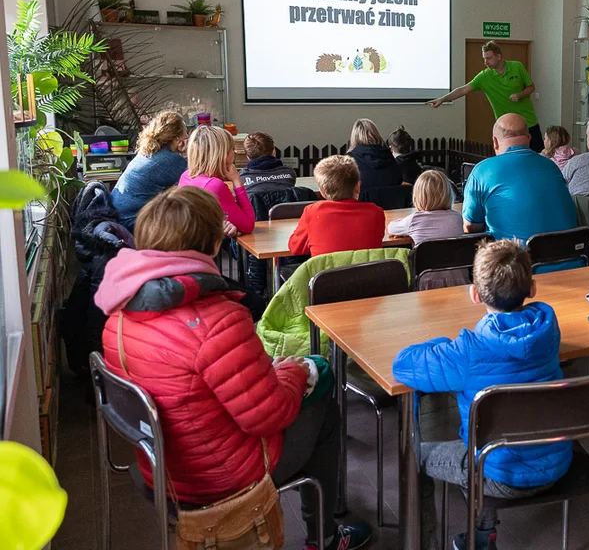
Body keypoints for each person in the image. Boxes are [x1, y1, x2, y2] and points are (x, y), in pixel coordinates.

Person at [97, 186, 371, 549]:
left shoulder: (117, 316)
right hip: (223, 477)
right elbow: (269, 415)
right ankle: (324, 536)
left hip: (162, 468)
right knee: (323, 402)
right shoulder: (217, 320)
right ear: (212, 243)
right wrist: (297, 371)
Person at [392, 239, 570, 550]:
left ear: (474, 293)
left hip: (502, 474)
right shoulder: (549, 328)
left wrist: (441, 344)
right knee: (493, 433)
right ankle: (481, 535)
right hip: (557, 461)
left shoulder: (467, 353)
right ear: (533, 288)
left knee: (416, 456)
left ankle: (426, 544)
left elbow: (403, 366)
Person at [462, 114, 576, 245]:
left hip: (517, 261)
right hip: (570, 257)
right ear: (529, 138)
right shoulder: (551, 166)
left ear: (495, 141)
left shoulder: (482, 171)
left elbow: (470, 227)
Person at [428, 42, 543, 153]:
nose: (485, 62)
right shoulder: (484, 76)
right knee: (509, 162)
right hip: (505, 128)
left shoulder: (517, 66)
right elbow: (463, 89)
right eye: (484, 58)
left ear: (498, 56)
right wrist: (442, 99)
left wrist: (520, 95)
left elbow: (531, 87)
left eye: (488, 58)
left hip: (528, 123)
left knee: (538, 158)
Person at [289, 155, 385, 257]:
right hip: (367, 272)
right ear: (357, 186)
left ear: (322, 192)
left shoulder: (312, 212)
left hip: (326, 272)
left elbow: (295, 248)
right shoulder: (376, 212)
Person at [110, 110, 188, 231]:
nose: (187, 137)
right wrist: (185, 153)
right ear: (178, 139)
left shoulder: (148, 152)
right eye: (185, 133)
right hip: (132, 223)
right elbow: (197, 176)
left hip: (117, 218)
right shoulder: (169, 159)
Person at [178, 125, 256, 235]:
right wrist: (237, 180)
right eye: (231, 149)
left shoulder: (186, 176)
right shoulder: (214, 186)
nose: (233, 153)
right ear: (222, 154)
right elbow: (248, 225)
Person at [387, 169, 464, 243]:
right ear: (448, 194)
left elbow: (391, 228)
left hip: (423, 256)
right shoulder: (457, 218)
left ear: (418, 196)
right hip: (454, 256)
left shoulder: (414, 220)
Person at [346, 118, 403, 190]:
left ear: (354, 137)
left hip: (361, 200)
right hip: (390, 201)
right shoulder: (389, 157)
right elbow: (398, 181)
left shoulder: (349, 161)